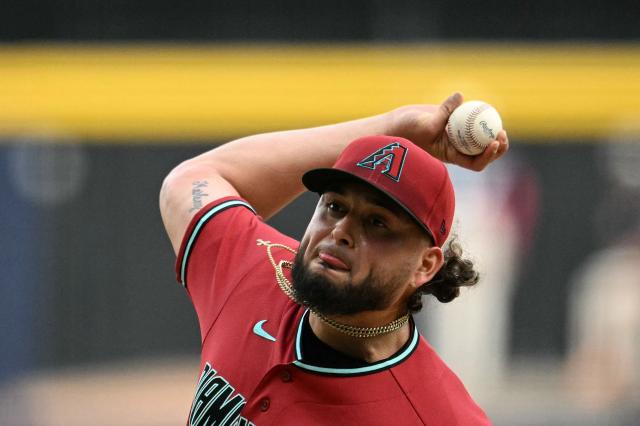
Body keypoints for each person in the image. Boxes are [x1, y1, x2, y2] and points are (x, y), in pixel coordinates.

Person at [159, 92, 509, 425]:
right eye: (334, 206)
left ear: (425, 266)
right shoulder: (254, 271)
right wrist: (392, 128)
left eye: (377, 223)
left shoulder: (439, 417)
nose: (341, 230)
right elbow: (189, 181)